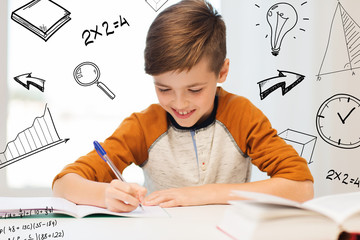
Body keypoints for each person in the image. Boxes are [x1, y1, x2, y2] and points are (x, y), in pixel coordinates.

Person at [52, 0, 314, 213]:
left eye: (195, 90)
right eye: (164, 89)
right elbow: (64, 184)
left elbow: (301, 188)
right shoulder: (143, 126)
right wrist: (104, 194)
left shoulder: (241, 115)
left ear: (222, 72)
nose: (179, 103)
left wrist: (203, 195)